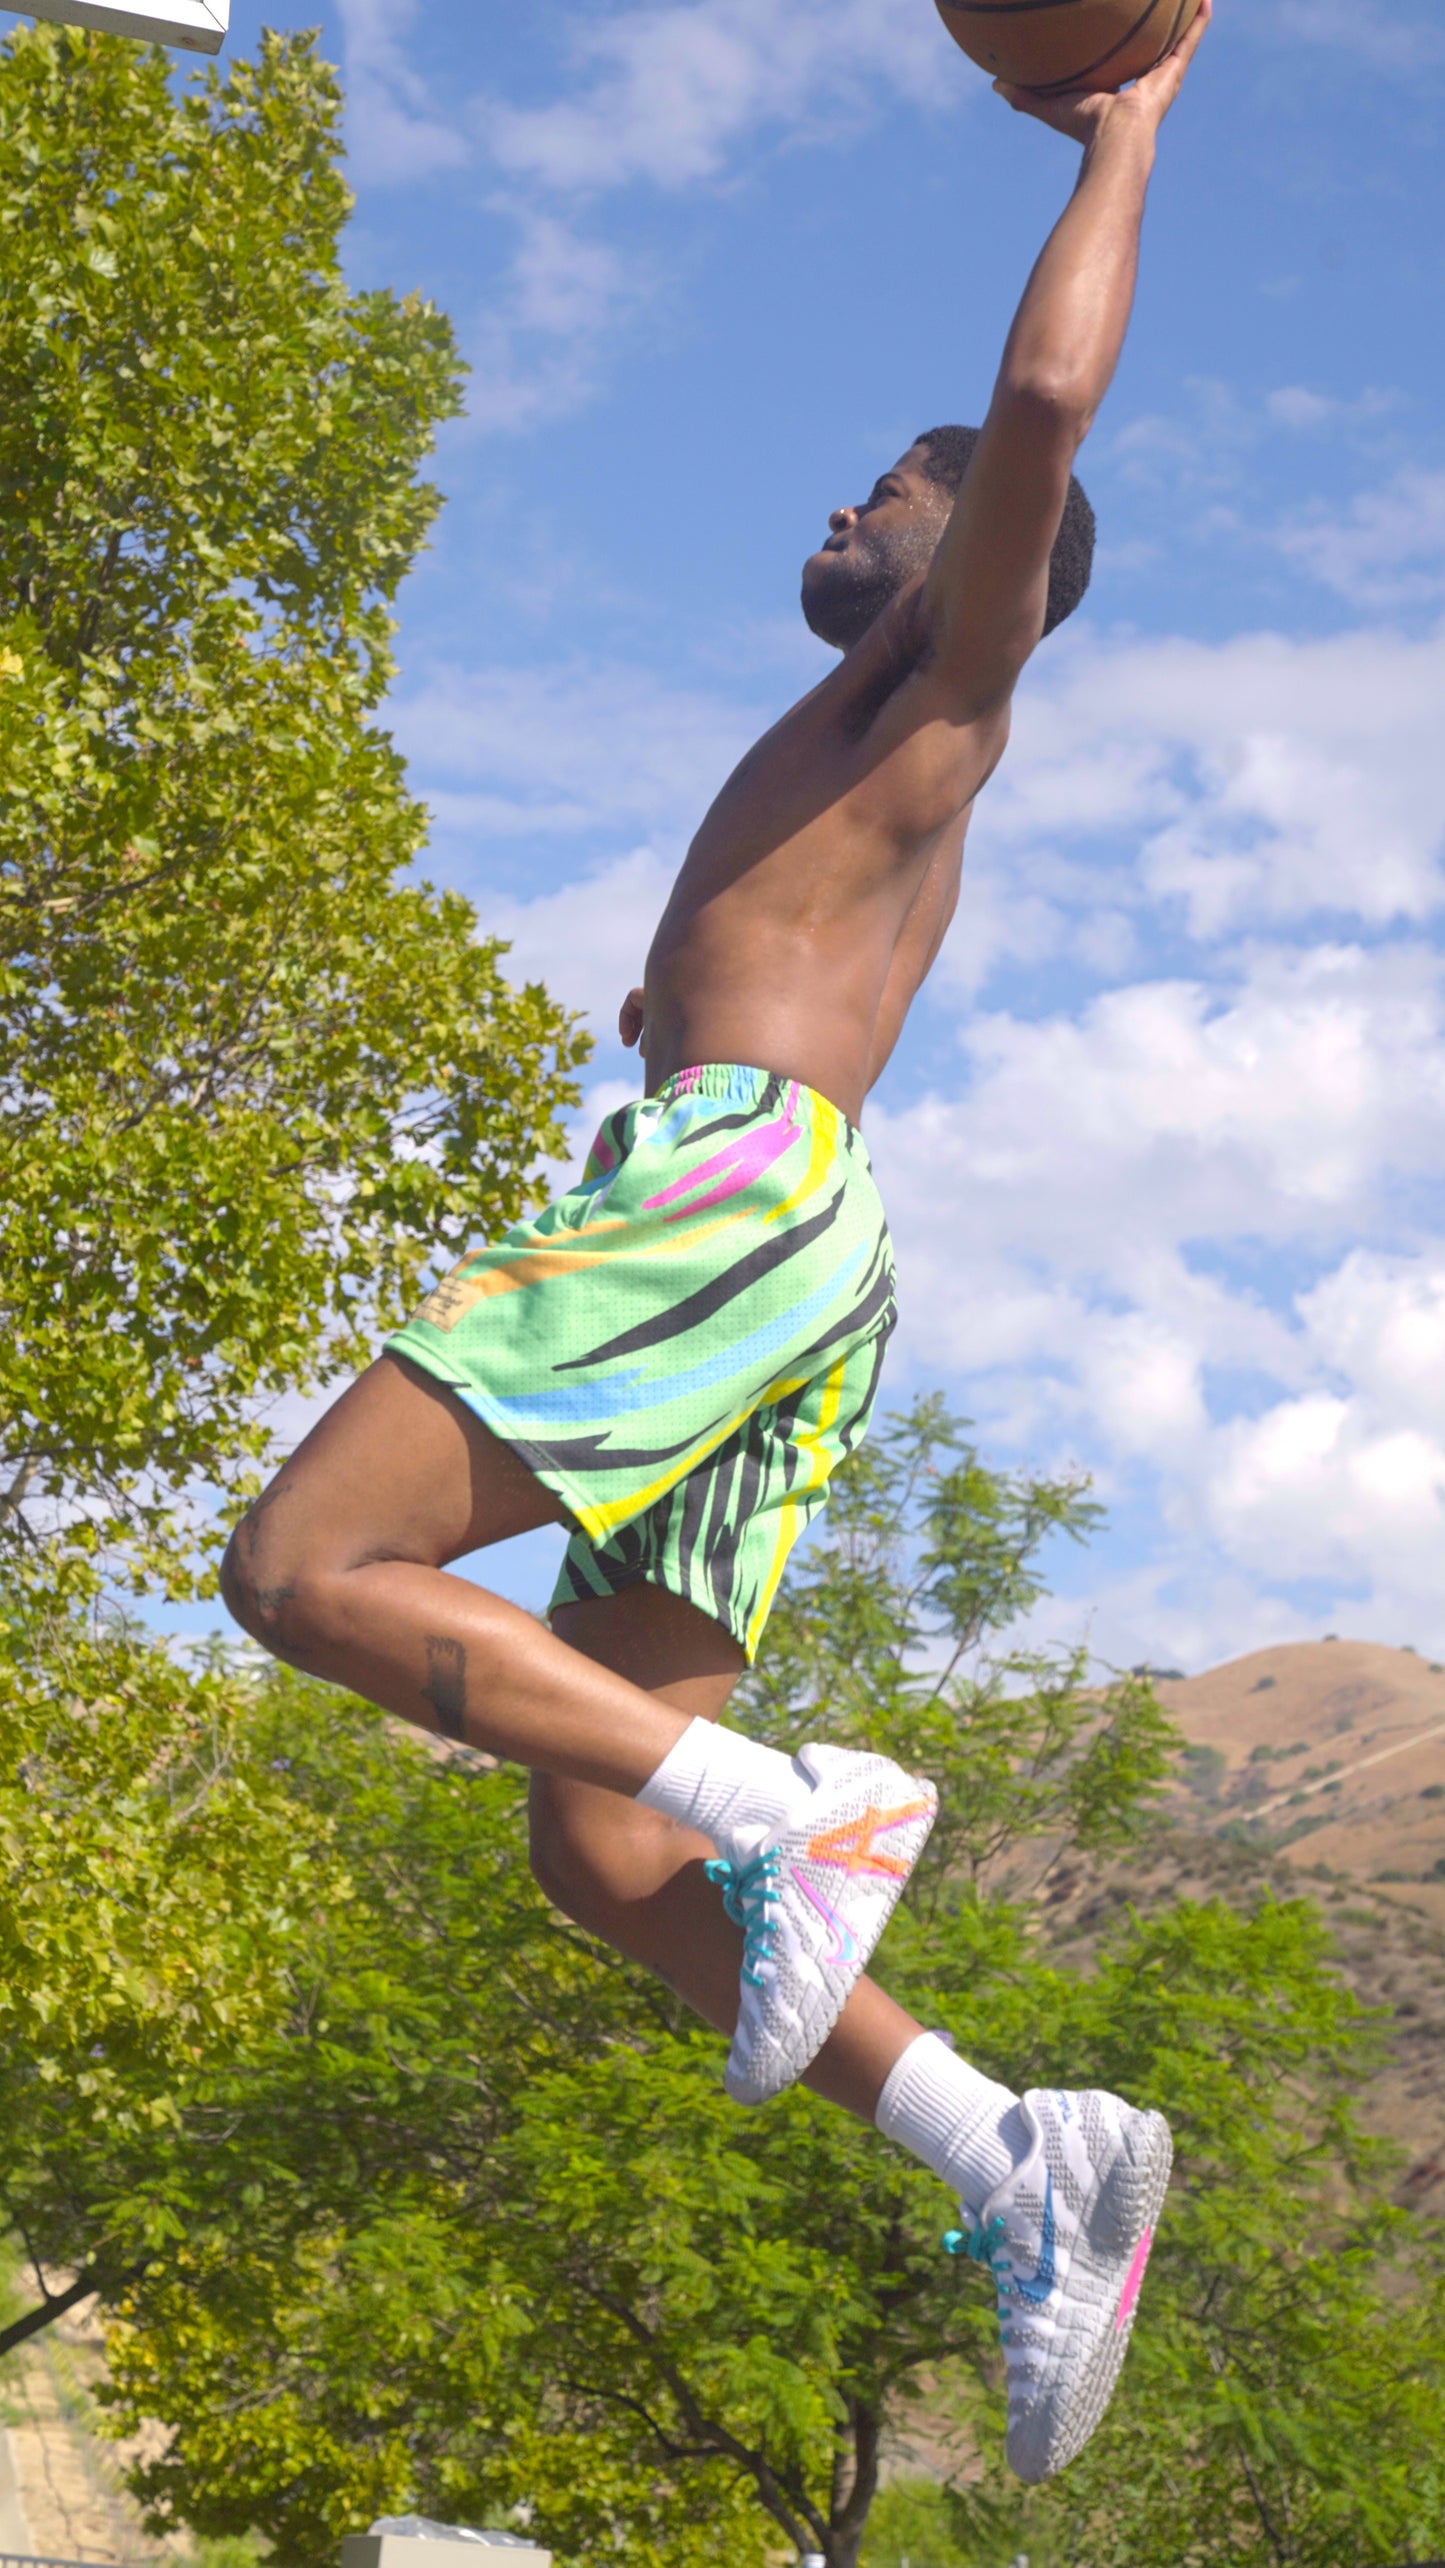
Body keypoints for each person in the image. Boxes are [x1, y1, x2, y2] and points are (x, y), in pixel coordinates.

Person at [223, 4, 1210, 2486]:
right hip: (778, 1220)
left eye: (891, 483)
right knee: (602, 1843)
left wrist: (1122, 133)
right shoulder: (861, 743)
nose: (843, 498)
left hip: (740, 1196)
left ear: (979, 552)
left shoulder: (949, 679)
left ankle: (805, 1810)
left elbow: (1046, 405)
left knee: (305, 1569)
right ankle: (1013, 2150)